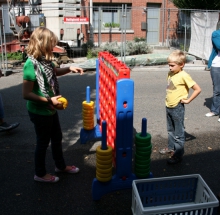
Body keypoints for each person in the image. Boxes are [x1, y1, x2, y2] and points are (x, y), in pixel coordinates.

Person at [22, 27, 84, 183]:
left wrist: (69, 68)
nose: (53, 47)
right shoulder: (31, 64)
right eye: (51, 43)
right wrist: (50, 100)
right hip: (40, 110)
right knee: (43, 142)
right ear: (42, 44)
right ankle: (40, 174)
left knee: (57, 138)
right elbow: (26, 94)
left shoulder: (45, 60)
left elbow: (54, 72)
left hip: (50, 108)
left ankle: (60, 166)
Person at [159, 50, 201, 164]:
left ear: (182, 64)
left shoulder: (184, 75)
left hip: (177, 107)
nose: (170, 67)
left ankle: (177, 155)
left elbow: (197, 89)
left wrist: (188, 100)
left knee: (178, 133)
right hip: (168, 105)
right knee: (170, 130)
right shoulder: (170, 73)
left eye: (172, 65)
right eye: (169, 65)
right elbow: (171, 88)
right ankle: (171, 148)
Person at [205, 30, 220, 120]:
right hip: (217, 65)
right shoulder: (216, 34)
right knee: (217, 90)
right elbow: (219, 46)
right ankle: (215, 110)